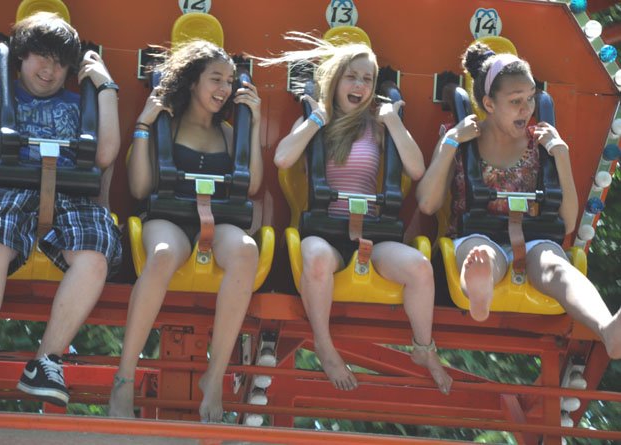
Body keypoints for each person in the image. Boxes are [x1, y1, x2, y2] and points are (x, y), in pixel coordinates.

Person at [264, 33, 452, 394]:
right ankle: (323, 343)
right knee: (316, 257)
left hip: (373, 232)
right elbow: (283, 158)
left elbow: (415, 170)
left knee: (419, 267)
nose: (360, 85)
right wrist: (315, 121)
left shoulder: (376, 126)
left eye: (367, 79)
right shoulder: (316, 120)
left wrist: (394, 122)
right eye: (352, 77)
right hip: (325, 229)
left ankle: (423, 348)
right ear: (335, 81)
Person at [0, 13, 122, 406]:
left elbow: (105, 154)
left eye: (61, 62)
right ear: (20, 58)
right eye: (41, 58)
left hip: (69, 198)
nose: (50, 70)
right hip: (5, 193)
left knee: (96, 251)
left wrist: (106, 87)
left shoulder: (79, 106)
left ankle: (47, 360)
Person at [416, 42, 621, 358]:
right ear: (489, 103)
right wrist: (450, 142)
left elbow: (566, 223)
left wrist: (561, 156)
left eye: (530, 99)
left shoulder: (542, 142)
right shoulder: (458, 135)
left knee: (556, 267)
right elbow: (428, 204)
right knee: (481, 253)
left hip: (535, 239)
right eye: (515, 101)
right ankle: (479, 291)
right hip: (474, 234)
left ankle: (607, 329)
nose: (526, 109)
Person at [109, 39, 263, 422]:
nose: (224, 89)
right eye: (215, 79)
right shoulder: (167, 125)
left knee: (246, 250)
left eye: (229, 81)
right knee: (161, 255)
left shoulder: (229, 134)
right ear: (193, 82)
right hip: (169, 219)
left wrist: (253, 125)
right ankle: (124, 380)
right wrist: (144, 125)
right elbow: (140, 188)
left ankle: (214, 378)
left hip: (217, 222)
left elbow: (253, 186)